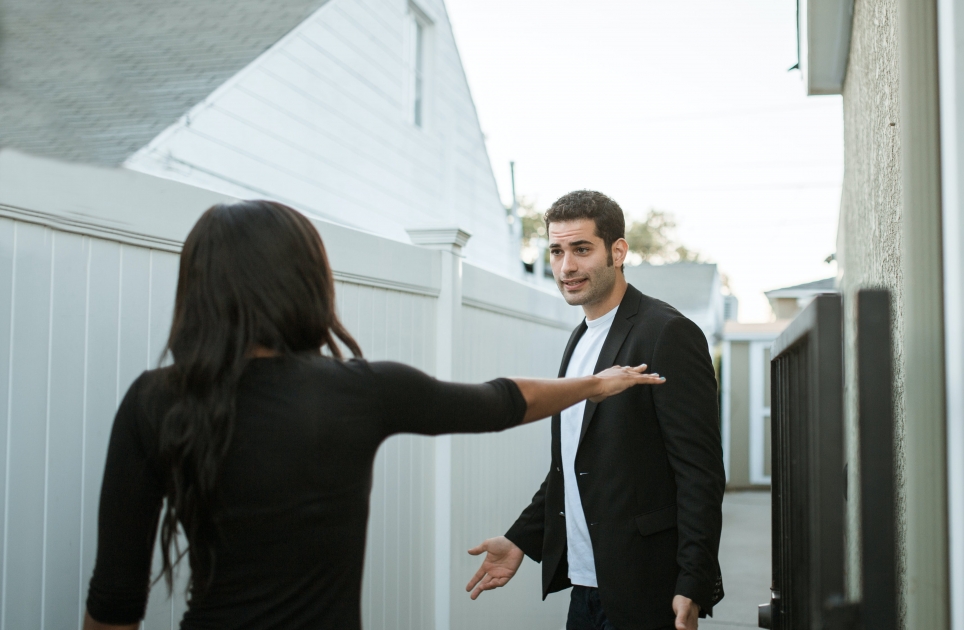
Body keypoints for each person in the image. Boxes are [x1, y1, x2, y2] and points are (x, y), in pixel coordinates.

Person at [82, 200, 664, 630]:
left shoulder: (154, 400)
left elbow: (113, 601)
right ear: (305, 282)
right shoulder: (358, 390)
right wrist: (592, 384)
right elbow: (500, 401)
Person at [466, 191, 725, 630]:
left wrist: (693, 579)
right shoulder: (580, 338)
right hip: (586, 583)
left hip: (646, 586)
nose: (567, 267)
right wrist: (520, 541)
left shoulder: (668, 333)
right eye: (556, 251)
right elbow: (571, 464)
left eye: (581, 249)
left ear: (617, 251)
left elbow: (700, 471)